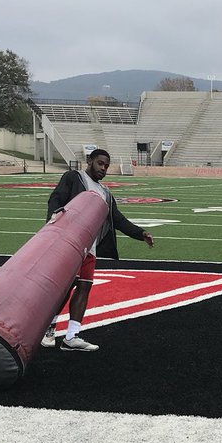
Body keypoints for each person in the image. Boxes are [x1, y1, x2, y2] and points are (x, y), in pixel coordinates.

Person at [41, 149, 154, 352]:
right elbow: (56, 199)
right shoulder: (74, 177)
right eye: (100, 163)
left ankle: (72, 336)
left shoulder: (105, 193)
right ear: (90, 161)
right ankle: (49, 328)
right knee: (65, 288)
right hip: (69, 244)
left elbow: (117, 220)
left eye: (106, 166)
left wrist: (140, 233)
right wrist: (52, 220)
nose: (103, 168)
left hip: (89, 248)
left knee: (84, 287)